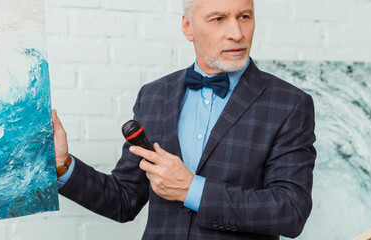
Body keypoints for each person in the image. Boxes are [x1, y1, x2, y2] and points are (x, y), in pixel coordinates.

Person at [51, 0, 316, 238]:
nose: (237, 33)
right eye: (218, 19)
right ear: (188, 27)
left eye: (244, 17)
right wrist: (63, 165)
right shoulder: (153, 95)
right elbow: (124, 199)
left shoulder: (290, 104)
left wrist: (192, 190)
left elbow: (291, 211)